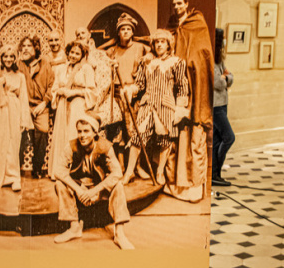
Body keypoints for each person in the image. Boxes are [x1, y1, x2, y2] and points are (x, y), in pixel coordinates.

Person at [53, 114, 134, 250]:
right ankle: (74, 227)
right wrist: (79, 190)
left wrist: (94, 191)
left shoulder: (105, 146)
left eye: (86, 131)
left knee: (118, 185)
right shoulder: (71, 146)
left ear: (95, 132)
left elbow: (117, 173)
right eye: (79, 131)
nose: (82, 135)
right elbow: (58, 171)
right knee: (59, 184)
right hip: (80, 189)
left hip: (98, 190)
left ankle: (119, 234)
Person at [121, 29, 189, 187]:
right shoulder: (146, 63)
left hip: (166, 105)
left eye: (162, 42)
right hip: (147, 104)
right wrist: (130, 90)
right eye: (156, 42)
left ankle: (159, 172)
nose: (159, 45)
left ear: (168, 44)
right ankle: (129, 172)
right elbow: (139, 84)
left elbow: (182, 86)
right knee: (138, 137)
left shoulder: (177, 62)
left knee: (164, 140)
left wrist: (179, 108)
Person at [166, 0, 214, 202]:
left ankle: (195, 187)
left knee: (195, 136)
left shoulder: (197, 23)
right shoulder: (174, 28)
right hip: (178, 87)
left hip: (194, 83)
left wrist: (190, 67)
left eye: (180, 3)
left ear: (187, 4)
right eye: (174, 4)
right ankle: (177, 185)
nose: (177, 7)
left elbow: (201, 54)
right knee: (178, 138)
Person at [0, 45, 33, 192]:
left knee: (12, 143)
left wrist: (23, 120)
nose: (8, 59)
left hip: (13, 109)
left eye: (11, 56)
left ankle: (13, 177)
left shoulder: (20, 76)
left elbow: (23, 98)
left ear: (15, 58)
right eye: (5, 56)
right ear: (1, 58)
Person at [104, 13, 151, 170]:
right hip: (116, 94)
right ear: (118, 32)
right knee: (117, 133)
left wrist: (148, 56)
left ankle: (136, 167)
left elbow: (154, 50)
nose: (125, 32)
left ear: (132, 32)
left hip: (133, 94)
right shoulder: (112, 50)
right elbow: (95, 51)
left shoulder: (140, 48)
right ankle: (120, 166)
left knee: (133, 132)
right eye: (122, 29)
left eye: (128, 29)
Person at [49, 40, 97, 179]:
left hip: (78, 105)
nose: (74, 56)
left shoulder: (86, 69)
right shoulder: (61, 69)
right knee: (62, 135)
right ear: (67, 53)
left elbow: (92, 91)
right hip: (63, 105)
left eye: (77, 53)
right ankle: (59, 171)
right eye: (72, 52)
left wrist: (73, 92)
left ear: (82, 55)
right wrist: (58, 92)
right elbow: (55, 88)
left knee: (74, 134)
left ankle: (75, 171)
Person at [17, 34, 55, 178]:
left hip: (41, 106)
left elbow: (51, 84)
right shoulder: (18, 64)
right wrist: (24, 106)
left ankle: (37, 169)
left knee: (42, 135)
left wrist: (45, 102)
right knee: (21, 136)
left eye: (29, 46)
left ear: (36, 47)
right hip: (23, 105)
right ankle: (17, 169)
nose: (25, 49)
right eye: (23, 46)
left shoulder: (45, 63)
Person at [212, 28, 235, 186]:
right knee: (229, 137)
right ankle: (215, 171)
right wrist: (225, 78)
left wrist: (225, 77)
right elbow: (218, 82)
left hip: (223, 103)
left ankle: (215, 173)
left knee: (218, 140)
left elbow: (229, 77)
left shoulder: (219, 60)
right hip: (216, 106)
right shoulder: (211, 60)